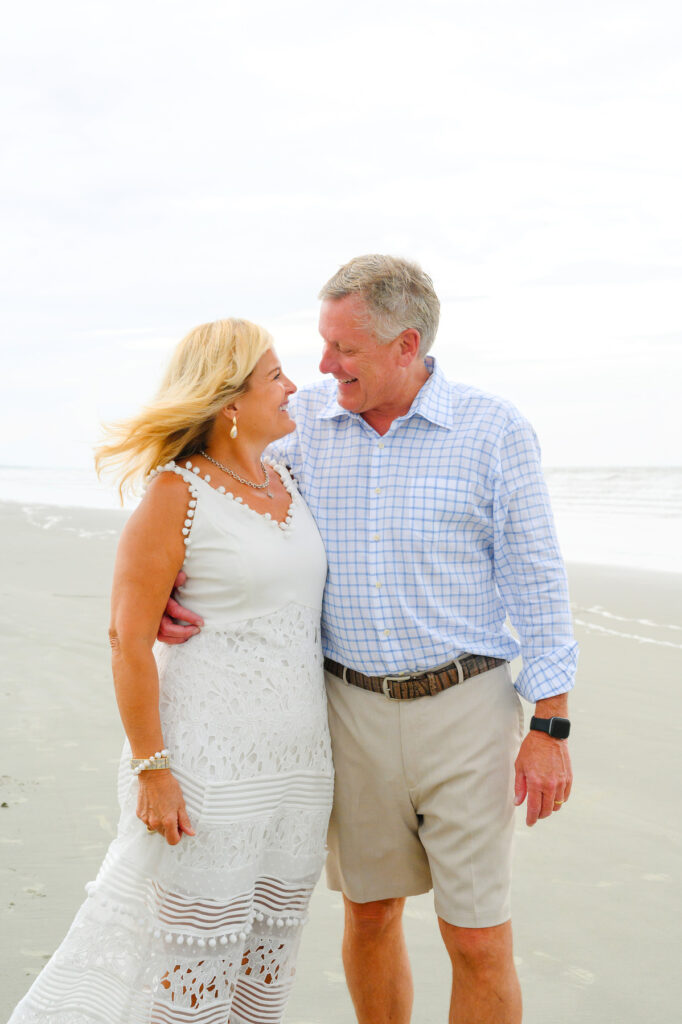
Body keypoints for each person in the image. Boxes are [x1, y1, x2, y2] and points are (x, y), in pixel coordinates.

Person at [161, 256, 578, 1024]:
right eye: (323, 344)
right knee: (370, 915)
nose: (323, 365)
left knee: (478, 938)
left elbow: (537, 579)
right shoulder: (301, 425)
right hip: (345, 710)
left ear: (405, 345)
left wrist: (550, 723)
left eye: (343, 349)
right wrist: (170, 584)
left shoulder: (493, 430)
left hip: (468, 707)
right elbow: (212, 486)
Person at [9, 318, 334, 1024]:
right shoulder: (174, 493)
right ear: (229, 401)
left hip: (299, 770)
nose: (294, 387)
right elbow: (127, 640)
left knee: (262, 973)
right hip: (205, 771)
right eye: (275, 375)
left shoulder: (289, 478)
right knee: (189, 977)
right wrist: (153, 769)